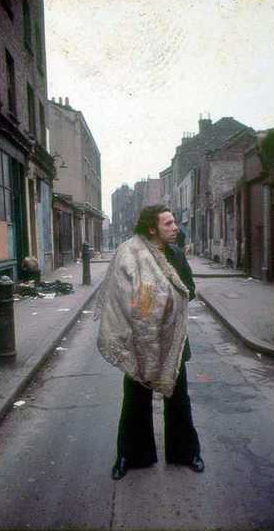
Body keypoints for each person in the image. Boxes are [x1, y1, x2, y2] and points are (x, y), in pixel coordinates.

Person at [96, 204, 204, 480]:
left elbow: (188, 290)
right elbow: (118, 294)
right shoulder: (130, 253)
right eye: (168, 224)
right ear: (152, 228)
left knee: (178, 397)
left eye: (174, 222)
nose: (175, 227)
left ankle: (186, 452)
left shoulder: (177, 254)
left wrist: (164, 300)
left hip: (172, 339)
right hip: (139, 340)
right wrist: (147, 303)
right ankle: (129, 455)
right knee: (135, 398)